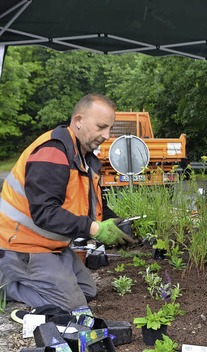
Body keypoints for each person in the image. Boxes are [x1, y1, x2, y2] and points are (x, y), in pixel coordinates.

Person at [0, 94, 134, 312]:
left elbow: (94, 206)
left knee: (88, 291)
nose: (107, 135)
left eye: (109, 128)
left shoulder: (86, 157)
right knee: (72, 306)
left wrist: (115, 223)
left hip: (52, 245)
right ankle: (6, 283)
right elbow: (44, 212)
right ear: (79, 120)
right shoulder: (52, 152)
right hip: (21, 245)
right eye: (101, 127)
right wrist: (94, 229)